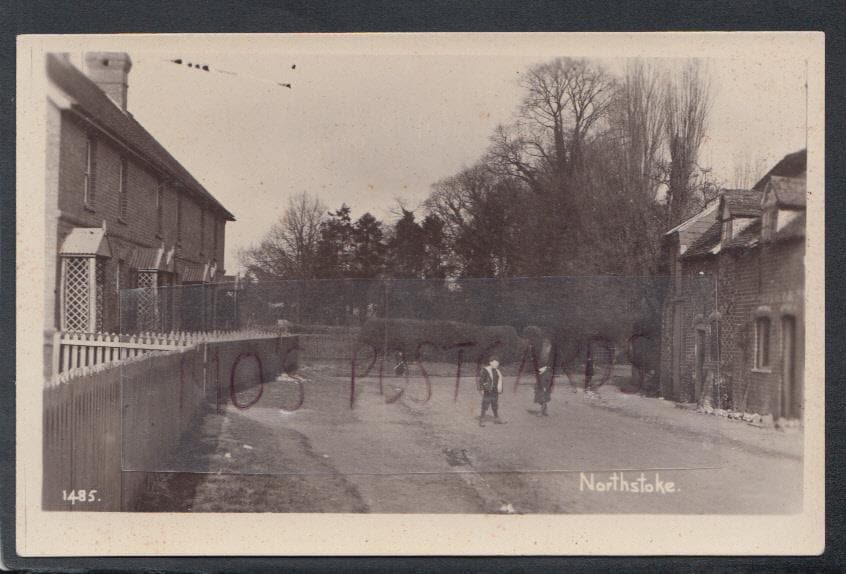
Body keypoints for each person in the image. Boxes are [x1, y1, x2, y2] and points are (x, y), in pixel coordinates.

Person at [477, 356, 505, 426]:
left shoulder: (497, 371)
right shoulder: (485, 370)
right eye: (495, 363)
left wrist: (499, 389)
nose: (497, 365)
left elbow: (499, 381)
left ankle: (496, 419)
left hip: (495, 391)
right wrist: (482, 389)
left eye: (497, 363)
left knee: (495, 404)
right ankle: (481, 421)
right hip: (488, 390)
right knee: (485, 404)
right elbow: (481, 381)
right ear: (490, 363)